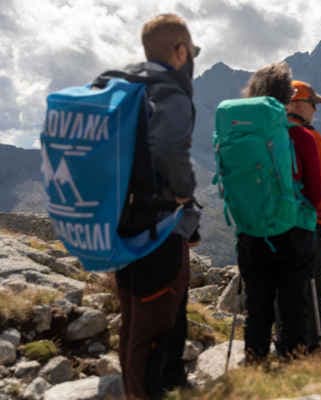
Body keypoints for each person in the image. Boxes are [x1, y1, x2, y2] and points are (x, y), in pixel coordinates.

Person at [112, 13, 200, 400]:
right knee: (156, 330)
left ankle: (134, 391)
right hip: (158, 228)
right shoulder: (172, 94)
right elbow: (167, 149)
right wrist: (183, 195)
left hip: (123, 222)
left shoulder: (127, 87)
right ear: (179, 51)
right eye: (191, 51)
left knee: (133, 322)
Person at [237, 62, 321, 362]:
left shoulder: (240, 133)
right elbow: (316, 190)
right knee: (293, 306)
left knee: (257, 306)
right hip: (293, 231)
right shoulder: (301, 137)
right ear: (286, 97)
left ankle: (254, 364)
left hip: (250, 228)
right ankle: (293, 369)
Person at [286, 80, 321, 350]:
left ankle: (287, 355)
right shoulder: (311, 138)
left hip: (272, 227)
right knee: (311, 296)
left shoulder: (269, 134)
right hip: (310, 226)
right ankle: (316, 356)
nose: (315, 111)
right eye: (312, 104)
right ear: (297, 103)